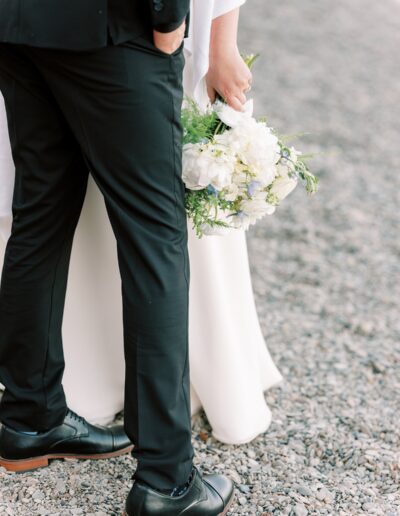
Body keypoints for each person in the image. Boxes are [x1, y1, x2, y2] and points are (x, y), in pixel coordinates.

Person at [0, 1, 283, 446]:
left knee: (38, 217)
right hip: (115, 27)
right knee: (155, 238)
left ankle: (27, 417)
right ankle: (165, 474)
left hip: (20, 23)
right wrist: (167, 15)